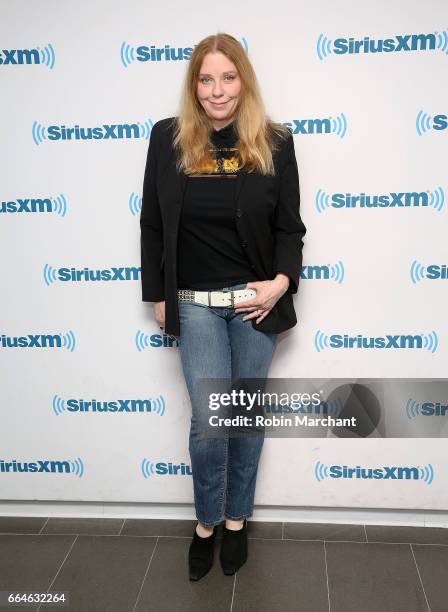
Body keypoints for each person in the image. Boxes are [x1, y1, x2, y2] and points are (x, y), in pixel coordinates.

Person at [140, 32, 306, 581]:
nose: (217, 91)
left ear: (244, 80)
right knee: (212, 423)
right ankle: (206, 522)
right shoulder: (167, 138)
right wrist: (158, 295)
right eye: (206, 79)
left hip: (253, 307)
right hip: (195, 305)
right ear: (194, 85)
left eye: (227, 78)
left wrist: (280, 283)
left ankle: (237, 521)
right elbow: (153, 225)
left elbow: (289, 227)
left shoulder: (275, 143)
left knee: (243, 418)